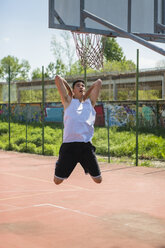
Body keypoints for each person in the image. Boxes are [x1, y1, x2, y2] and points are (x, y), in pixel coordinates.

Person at [54, 75, 102, 185]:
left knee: (98, 180)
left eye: (83, 86)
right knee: (57, 181)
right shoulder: (68, 102)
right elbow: (58, 78)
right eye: (78, 86)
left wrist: (89, 90)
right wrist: (70, 91)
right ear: (74, 90)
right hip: (69, 146)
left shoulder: (90, 103)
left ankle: (87, 165)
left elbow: (98, 82)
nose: (81, 87)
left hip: (85, 146)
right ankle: (60, 163)